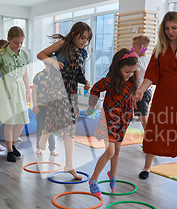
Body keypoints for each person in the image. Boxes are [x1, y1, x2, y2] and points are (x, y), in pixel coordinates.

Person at [134, 11, 177, 189]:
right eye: (167, 28)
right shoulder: (159, 49)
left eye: (174, 28)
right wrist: (140, 90)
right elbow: (151, 75)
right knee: (155, 130)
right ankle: (147, 168)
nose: (171, 32)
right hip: (162, 96)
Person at [37, 22, 92, 180]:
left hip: (71, 89)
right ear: (74, 34)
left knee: (72, 123)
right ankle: (47, 139)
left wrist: (86, 82)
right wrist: (53, 62)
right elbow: (41, 55)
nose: (84, 41)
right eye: (82, 37)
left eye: (87, 39)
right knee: (68, 123)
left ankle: (68, 164)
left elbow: (79, 73)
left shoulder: (82, 53)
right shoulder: (62, 45)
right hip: (57, 86)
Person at [86, 48, 138, 196]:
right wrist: (91, 105)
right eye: (127, 71)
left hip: (124, 119)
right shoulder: (109, 81)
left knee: (117, 150)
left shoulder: (131, 82)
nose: (130, 75)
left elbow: (131, 96)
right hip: (108, 119)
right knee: (110, 151)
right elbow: (95, 89)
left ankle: (113, 175)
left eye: (133, 71)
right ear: (118, 68)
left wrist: (134, 101)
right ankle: (93, 179)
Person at [0, 26, 31, 162]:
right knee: (10, 121)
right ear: (8, 39)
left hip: (19, 88)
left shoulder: (24, 54)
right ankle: (9, 150)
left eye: (21, 43)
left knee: (22, 120)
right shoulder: (1, 54)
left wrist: (28, 90)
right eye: (16, 42)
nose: (18, 45)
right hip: (6, 88)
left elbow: (25, 74)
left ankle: (12, 144)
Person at [32, 62, 59, 156]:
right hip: (40, 106)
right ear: (45, 65)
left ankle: (52, 149)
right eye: (48, 66)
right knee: (40, 126)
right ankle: (38, 147)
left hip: (52, 107)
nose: (49, 68)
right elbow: (34, 91)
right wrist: (34, 105)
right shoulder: (39, 76)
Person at [132, 34, 151, 133]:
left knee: (143, 118)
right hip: (147, 91)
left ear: (141, 48)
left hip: (141, 92)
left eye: (134, 46)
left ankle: (150, 138)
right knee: (141, 117)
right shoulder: (148, 60)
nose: (132, 48)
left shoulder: (138, 61)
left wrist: (135, 94)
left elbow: (136, 78)